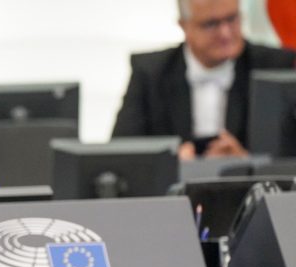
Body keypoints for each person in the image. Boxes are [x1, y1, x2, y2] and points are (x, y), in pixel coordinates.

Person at [112, 0, 296, 159]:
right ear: (184, 26)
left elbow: (287, 157)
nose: (225, 33)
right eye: (211, 24)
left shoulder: (274, 66)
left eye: (232, 19)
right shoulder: (151, 72)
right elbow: (122, 152)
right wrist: (169, 163)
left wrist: (247, 162)